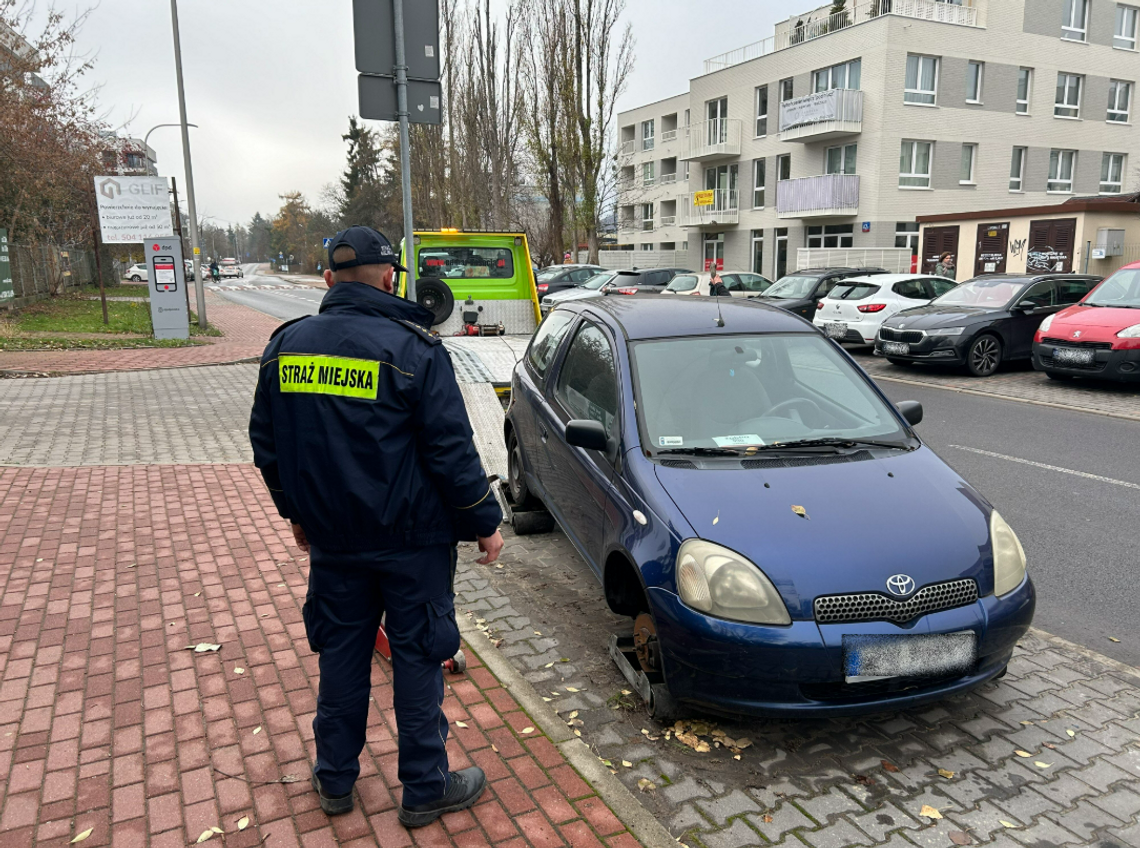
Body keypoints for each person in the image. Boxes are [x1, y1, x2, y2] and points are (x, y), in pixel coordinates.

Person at [249, 226, 504, 828]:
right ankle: (424, 787)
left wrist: (296, 514)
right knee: (418, 657)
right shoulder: (414, 350)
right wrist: (484, 523)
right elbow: (451, 450)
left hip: (335, 541)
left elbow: (269, 447)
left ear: (329, 280)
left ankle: (335, 779)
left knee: (341, 655)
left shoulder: (286, 346)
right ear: (390, 277)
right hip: (411, 542)